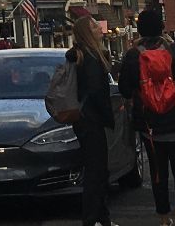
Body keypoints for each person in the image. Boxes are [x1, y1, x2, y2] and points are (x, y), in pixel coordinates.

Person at [121, 8, 175, 226]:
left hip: (149, 125)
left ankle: (164, 218)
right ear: (162, 27)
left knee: (157, 172)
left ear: (140, 29)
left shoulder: (133, 56)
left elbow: (125, 89)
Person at [68, 15, 117, 226]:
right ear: (88, 33)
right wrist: (108, 116)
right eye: (94, 26)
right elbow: (97, 91)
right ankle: (91, 219)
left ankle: (101, 217)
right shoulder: (91, 59)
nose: (99, 28)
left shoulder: (80, 56)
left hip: (83, 120)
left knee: (97, 170)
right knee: (96, 172)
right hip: (92, 120)